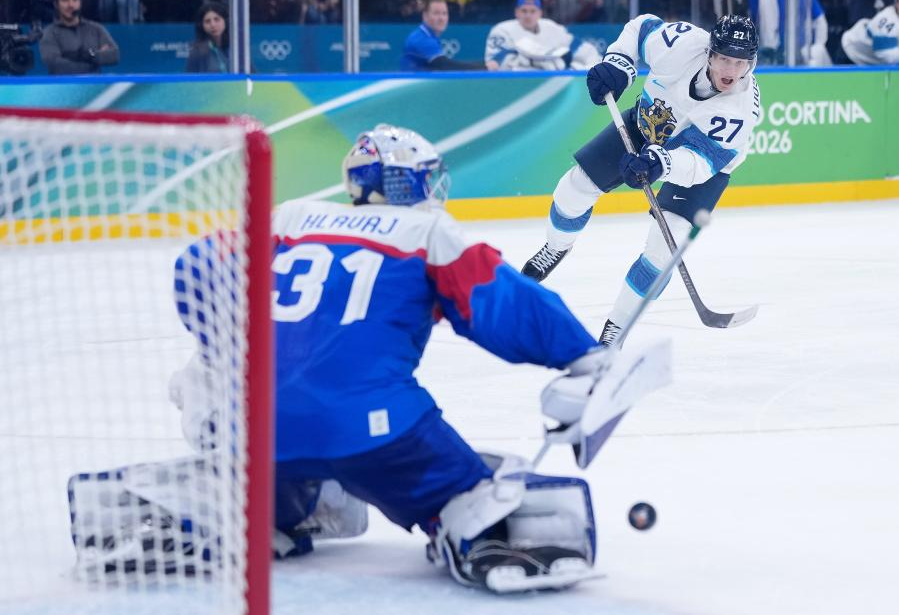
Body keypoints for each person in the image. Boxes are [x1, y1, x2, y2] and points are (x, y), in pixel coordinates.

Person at [158, 125, 660, 592]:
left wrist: (222, 349)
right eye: (422, 178)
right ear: (400, 183)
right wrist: (582, 354)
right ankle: (473, 531)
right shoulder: (423, 231)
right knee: (470, 490)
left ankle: (266, 510)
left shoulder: (289, 218)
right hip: (371, 432)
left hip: (250, 429)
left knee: (273, 443)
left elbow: (196, 267)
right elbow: (499, 302)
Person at [520, 15, 761, 345]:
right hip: (647, 125)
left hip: (703, 165)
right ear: (709, 53)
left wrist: (661, 163)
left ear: (751, 63)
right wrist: (618, 63)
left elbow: (699, 163)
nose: (730, 71)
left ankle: (616, 328)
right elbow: (641, 27)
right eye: (724, 59)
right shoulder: (682, 44)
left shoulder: (740, 109)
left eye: (740, 63)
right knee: (573, 188)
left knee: (661, 254)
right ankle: (555, 247)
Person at [484, 0, 601, 70]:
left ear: (540, 13)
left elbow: (580, 48)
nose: (528, 15)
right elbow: (495, 64)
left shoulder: (551, 27)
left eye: (532, 11)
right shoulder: (502, 30)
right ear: (516, 12)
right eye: (524, 11)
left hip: (553, 82)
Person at [39, 0, 119, 75]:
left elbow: (114, 55)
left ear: (81, 3)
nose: (71, 5)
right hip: (63, 83)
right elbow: (53, 62)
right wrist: (93, 59)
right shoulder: (49, 32)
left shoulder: (96, 28)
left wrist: (90, 55)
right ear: (56, 4)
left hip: (93, 83)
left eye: (75, 0)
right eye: (65, 0)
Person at [401, 0, 498, 70]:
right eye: (436, 13)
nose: (441, 18)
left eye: (444, 13)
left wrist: (483, 65)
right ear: (425, 16)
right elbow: (444, 65)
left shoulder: (430, 36)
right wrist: (484, 66)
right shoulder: (420, 39)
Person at [185, 1, 229, 72]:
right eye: (207, 21)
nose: (213, 25)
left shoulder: (235, 48)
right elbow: (191, 77)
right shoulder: (197, 53)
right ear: (202, 26)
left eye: (217, 19)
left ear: (225, 21)